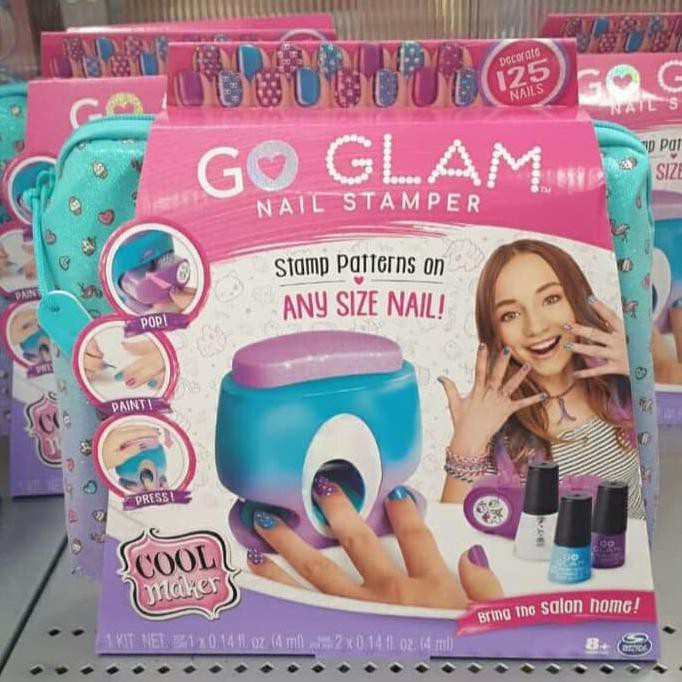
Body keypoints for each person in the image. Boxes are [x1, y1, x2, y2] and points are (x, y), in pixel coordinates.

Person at [438, 239, 644, 518]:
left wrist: (643, 374)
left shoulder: (625, 379)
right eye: (510, 315)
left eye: (550, 299)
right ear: (496, 333)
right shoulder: (493, 423)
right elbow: (452, 535)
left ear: (576, 299)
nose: (535, 327)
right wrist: (467, 442)